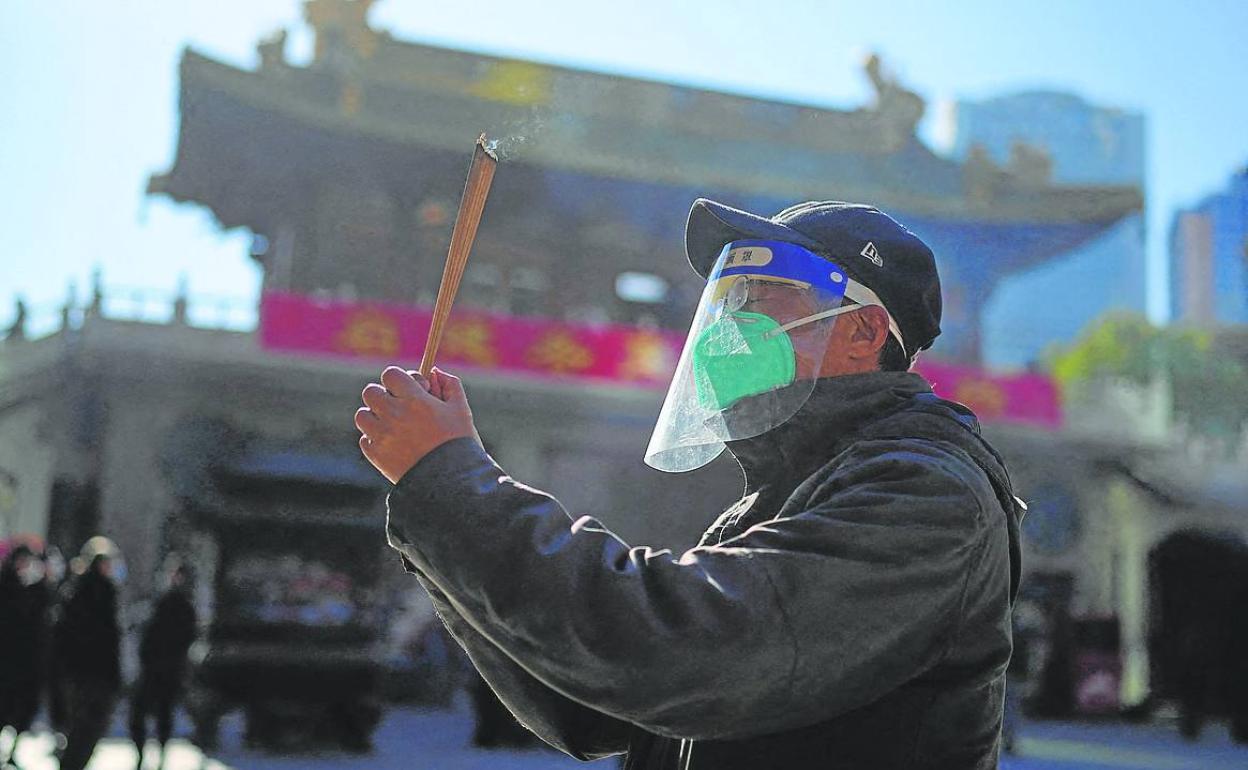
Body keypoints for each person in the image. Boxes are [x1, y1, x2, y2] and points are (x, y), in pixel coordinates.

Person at [355, 199, 1024, 769]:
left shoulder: (928, 496)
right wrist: (437, 511)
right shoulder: (776, 500)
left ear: (860, 331)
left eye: (763, 301)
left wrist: (453, 484)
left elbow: (682, 649)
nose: (731, 329)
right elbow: (589, 706)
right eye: (730, 303)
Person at [56, 536, 124, 770]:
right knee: (88, 727)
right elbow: (109, 640)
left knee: (79, 725)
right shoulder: (103, 594)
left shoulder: (75, 591)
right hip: (94, 675)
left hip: (80, 673)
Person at [129, 557, 197, 770]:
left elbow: (182, 638)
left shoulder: (183, 607)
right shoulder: (163, 601)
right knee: (142, 716)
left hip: (167, 670)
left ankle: (157, 756)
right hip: (154, 669)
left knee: (161, 716)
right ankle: (144, 755)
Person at [0, 536, 52, 770]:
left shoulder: (32, 591)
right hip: (8, 662)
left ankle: (11, 750)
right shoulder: (8, 587)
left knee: (22, 709)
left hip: (27, 663)